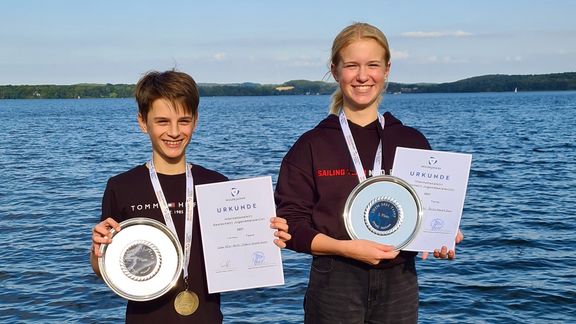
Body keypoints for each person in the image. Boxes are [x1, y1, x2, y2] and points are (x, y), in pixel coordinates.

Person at [274, 22, 463, 324]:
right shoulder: (310, 145)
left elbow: (428, 209)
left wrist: (441, 233)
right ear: (335, 71)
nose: (363, 76)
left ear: (387, 69)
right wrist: (344, 248)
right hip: (335, 281)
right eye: (352, 66)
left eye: (372, 65)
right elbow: (291, 226)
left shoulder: (411, 142)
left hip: (399, 283)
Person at [90, 70, 290, 323]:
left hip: (206, 316)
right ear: (143, 122)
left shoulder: (216, 185)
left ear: (195, 121)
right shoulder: (122, 186)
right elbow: (105, 270)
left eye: (183, 120)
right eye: (162, 121)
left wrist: (268, 238)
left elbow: (239, 254)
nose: (174, 132)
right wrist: (98, 251)